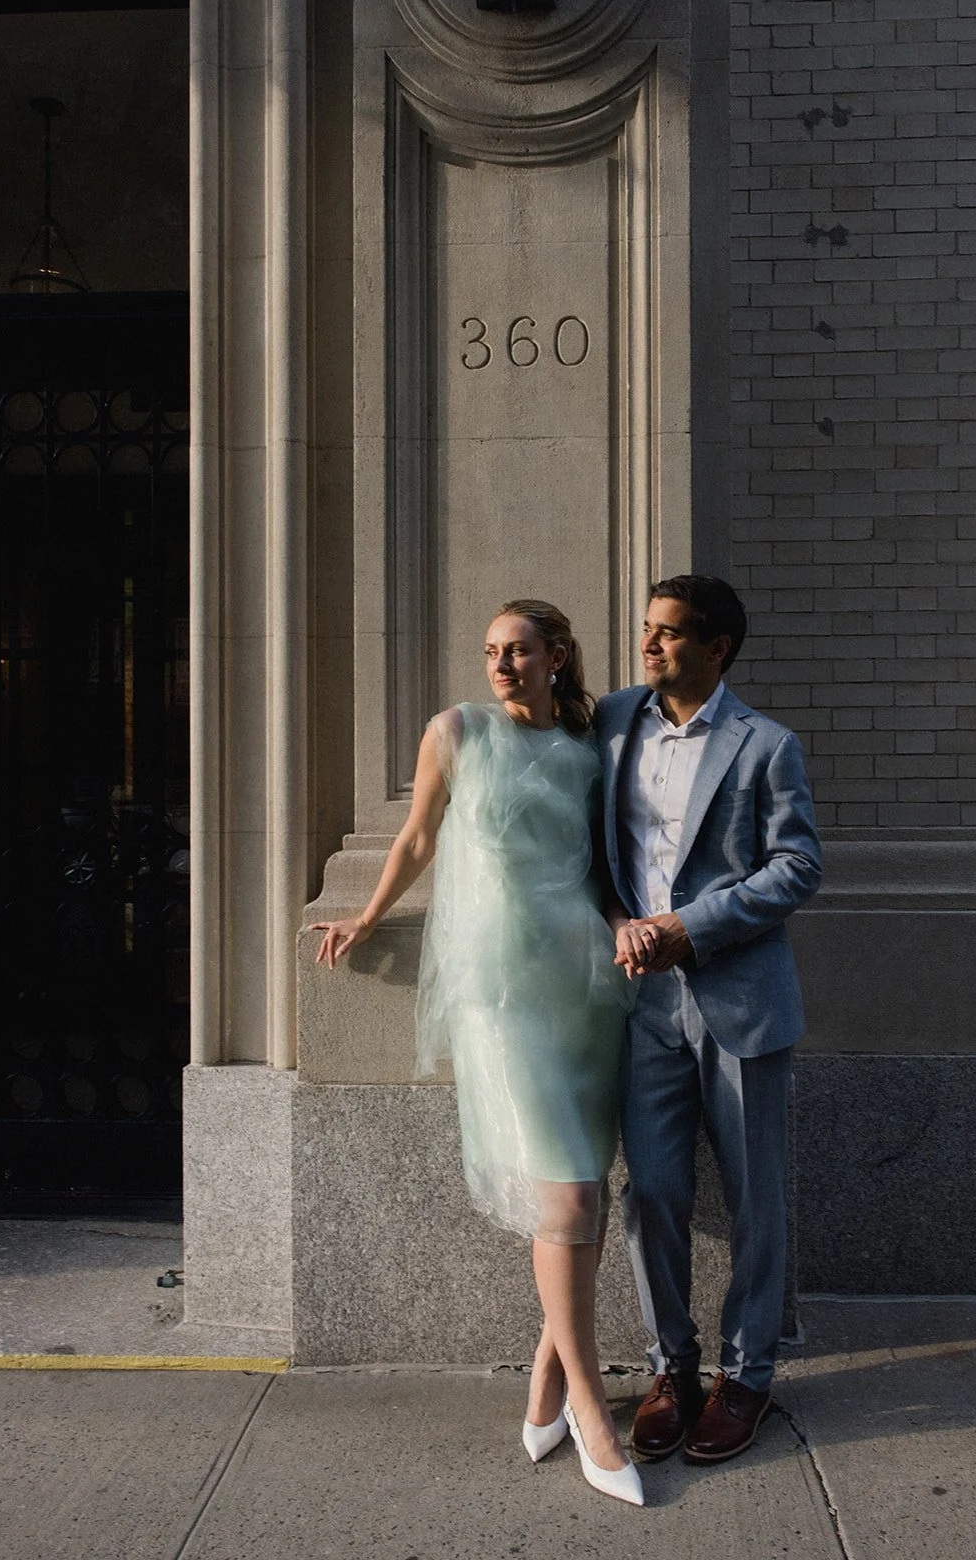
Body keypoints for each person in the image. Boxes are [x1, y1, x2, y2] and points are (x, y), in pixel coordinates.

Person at [312, 601, 646, 1507]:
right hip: (501, 993)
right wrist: (365, 916)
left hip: (583, 985)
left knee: (584, 1191)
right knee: (566, 1196)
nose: (500, 664)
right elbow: (419, 836)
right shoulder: (457, 731)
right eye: (491, 651)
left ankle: (546, 1378)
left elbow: (602, 867)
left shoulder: (586, 747)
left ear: (555, 656)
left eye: (518, 650)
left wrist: (623, 926)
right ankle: (589, 1408)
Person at [594, 574, 822, 1464]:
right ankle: (671, 1369)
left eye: (668, 633)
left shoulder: (765, 744)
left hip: (739, 997)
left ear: (715, 648)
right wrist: (622, 920)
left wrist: (688, 927)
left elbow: (796, 866)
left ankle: (748, 1375)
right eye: (646, 628)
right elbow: (596, 847)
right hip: (641, 1001)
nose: (648, 645)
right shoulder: (614, 721)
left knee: (756, 1199)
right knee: (651, 1191)